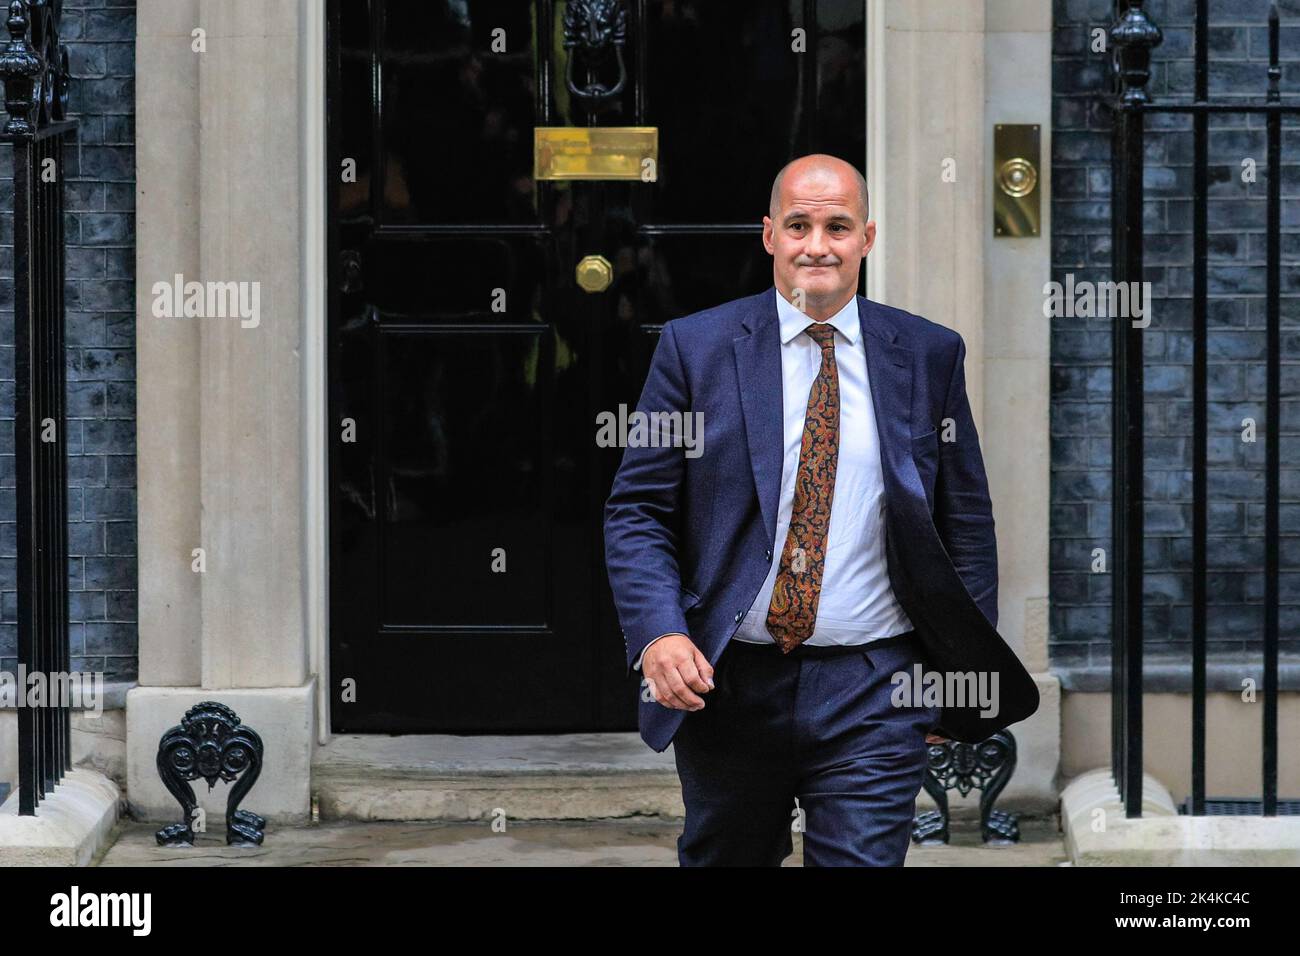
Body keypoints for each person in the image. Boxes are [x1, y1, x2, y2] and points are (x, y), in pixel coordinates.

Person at [603, 154, 1038, 866]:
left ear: (867, 238)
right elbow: (639, 510)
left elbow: (964, 527)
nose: (817, 245)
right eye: (799, 225)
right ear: (769, 235)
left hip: (876, 688)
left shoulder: (927, 355)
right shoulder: (694, 349)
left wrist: (957, 673)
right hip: (731, 683)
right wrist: (659, 634)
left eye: (837, 226)